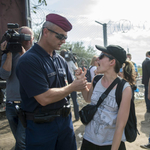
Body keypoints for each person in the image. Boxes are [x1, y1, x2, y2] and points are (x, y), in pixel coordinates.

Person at [16, 13, 86, 150]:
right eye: (60, 36)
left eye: (65, 37)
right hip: (41, 127)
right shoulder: (29, 60)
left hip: (65, 123)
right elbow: (44, 97)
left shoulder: (60, 60)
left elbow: (69, 86)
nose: (63, 41)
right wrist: (72, 86)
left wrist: (78, 80)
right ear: (45, 32)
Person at [76, 45, 132, 150]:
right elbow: (88, 98)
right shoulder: (96, 79)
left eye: (101, 56)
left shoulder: (124, 88)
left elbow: (120, 126)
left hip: (110, 144)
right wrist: (82, 81)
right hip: (89, 140)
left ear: (112, 62)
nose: (97, 59)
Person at [0, 26, 34, 150]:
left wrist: (23, 55)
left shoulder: (35, 54)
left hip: (27, 104)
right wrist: (8, 54)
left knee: (21, 140)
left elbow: (31, 74)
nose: (26, 40)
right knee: (18, 140)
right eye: (23, 37)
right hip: (10, 103)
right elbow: (4, 75)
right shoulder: (9, 52)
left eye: (28, 37)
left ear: (33, 38)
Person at [60, 49, 79, 121]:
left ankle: (67, 117)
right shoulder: (70, 62)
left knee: (66, 101)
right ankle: (77, 116)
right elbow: (76, 70)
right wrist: (75, 62)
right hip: (72, 83)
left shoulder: (59, 61)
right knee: (75, 101)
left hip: (64, 84)